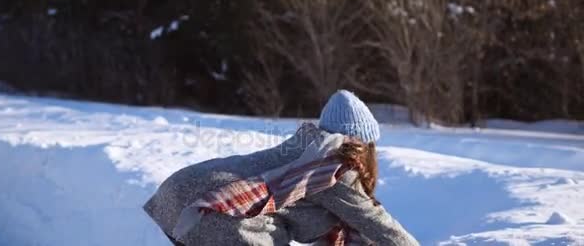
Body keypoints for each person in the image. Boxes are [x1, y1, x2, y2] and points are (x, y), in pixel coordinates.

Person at [144, 90, 419, 245]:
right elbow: (375, 222)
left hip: (177, 196)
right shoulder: (333, 165)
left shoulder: (304, 151)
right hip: (212, 211)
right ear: (365, 145)